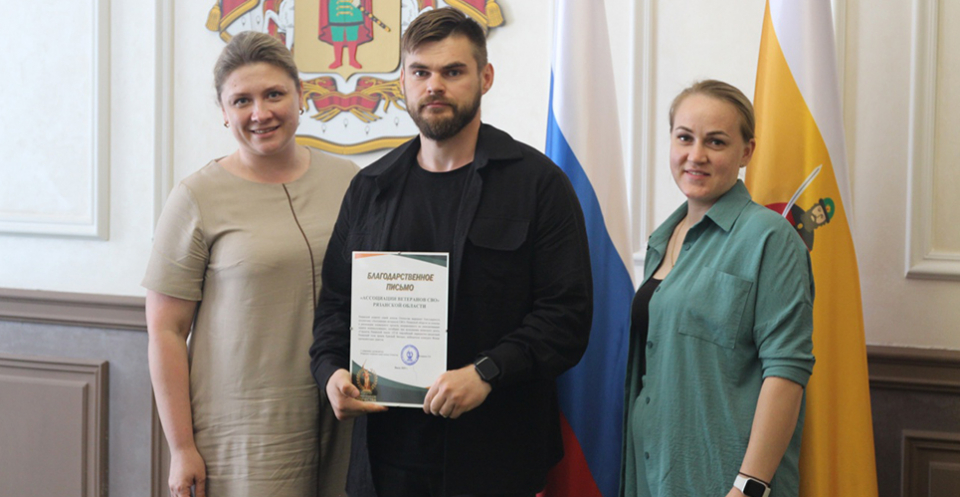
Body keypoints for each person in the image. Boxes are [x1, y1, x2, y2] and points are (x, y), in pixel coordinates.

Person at [309, 8, 593, 497]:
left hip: (497, 457)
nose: (434, 85)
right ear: (402, 81)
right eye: (420, 72)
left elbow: (566, 317)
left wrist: (486, 373)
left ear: (485, 77)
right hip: (384, 461)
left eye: (453, 71)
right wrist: (331, 372)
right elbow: (335, 306)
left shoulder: (538, 185)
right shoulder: (370, 189)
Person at [144, 31, 357, 497]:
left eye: (274, 94)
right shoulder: (196, 197)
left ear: (300, 95)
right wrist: (181, 448)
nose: (260, 113)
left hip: (343, 415)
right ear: (224, 112)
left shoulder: (349, 181)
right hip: (245, 433)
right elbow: (165, 331)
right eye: (242, 100)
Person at [621, 80, 815, 497]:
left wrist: (749, 487)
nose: (696, 155)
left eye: (716, 142)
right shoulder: (662, 238)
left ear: (746, 152)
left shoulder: (771, 238)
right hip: (652, 473)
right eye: (684, 138)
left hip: (724, 482)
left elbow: (786, 372)